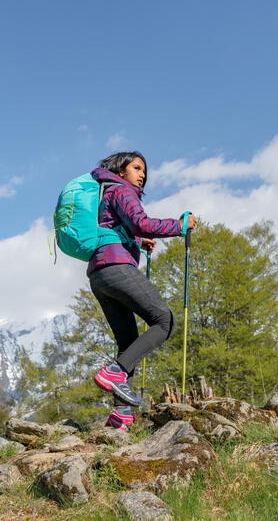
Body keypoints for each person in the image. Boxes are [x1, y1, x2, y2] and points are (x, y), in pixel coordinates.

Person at [89, 151, 196, 431]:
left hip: (100, 274)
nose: (142, 175)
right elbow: (141, 222)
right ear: (121, 170)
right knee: (165, 321)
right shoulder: (123, 190)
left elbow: (120, 228)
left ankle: (120, 415)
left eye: (144, 172)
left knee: (128, 343)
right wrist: (180, 226)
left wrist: (138, 241)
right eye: (136, 168)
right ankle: (113, 373)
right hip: (116, 267)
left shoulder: (107, 193)